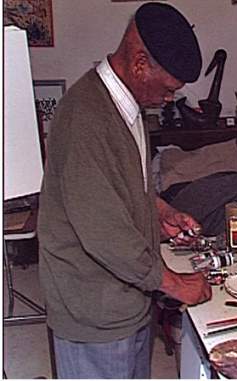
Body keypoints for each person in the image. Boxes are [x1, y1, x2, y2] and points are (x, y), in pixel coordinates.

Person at [37, 3, 211, 378]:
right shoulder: (85, 117)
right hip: (95, 312)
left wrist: (161, 211)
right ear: (139, 63)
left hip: (128, 299)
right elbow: (105, 234)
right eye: (167, 90)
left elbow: (126, 183)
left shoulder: (124, 107)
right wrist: (176, 285)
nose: (169, 100)